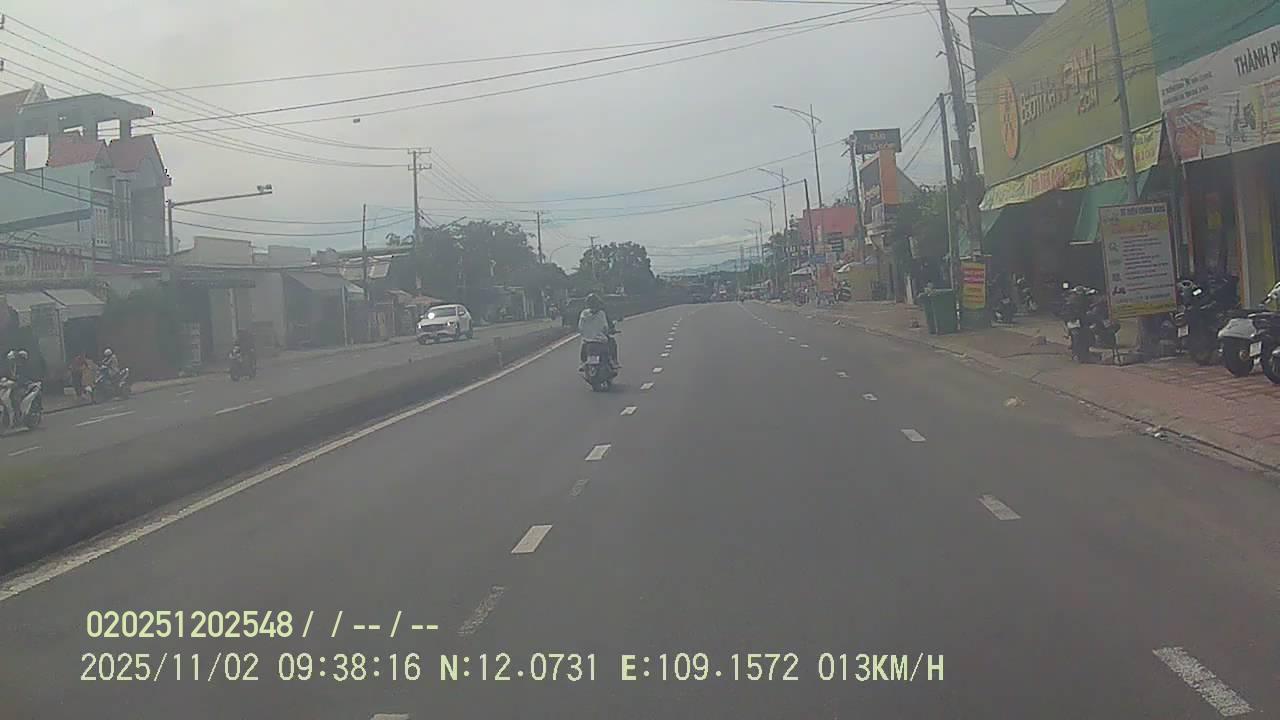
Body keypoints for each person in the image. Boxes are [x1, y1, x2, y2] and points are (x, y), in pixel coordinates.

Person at [577, 293, 618, 368]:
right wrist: (609, 330)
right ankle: (614, 361)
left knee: (584, 344)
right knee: (612, 342)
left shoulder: (584, 313)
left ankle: (583, 363)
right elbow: (605, 327)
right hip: (601, 340)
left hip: (588, 340)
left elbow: (580, 327)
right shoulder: (601, 313)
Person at [4, 349, 31, 420]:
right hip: (13, 385)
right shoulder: (13, 366)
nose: (19, 360)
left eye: (21, 358)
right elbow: (9, 375)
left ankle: (18, 415)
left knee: (15, 397)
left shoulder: (26, 367)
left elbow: (25, 378)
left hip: (23, 386)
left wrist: (18, 382)